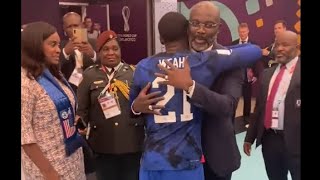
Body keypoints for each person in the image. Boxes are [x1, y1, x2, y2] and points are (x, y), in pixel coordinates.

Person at [130, 12, 261, 180]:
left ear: (161, 39)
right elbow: (254, 51)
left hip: (153, 160)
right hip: (185, 160)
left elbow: (132, 107)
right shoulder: (201, 61)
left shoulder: (142, 67)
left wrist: (135, 107)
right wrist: (223, 52)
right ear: (188, 33)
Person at [76, 30, 145, 180]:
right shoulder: (89, 76)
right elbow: (82, 110)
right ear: (98, 52)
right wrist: (81, 127)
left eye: (115, 48)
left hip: (131, 143)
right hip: (102, 145)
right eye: (105, 49)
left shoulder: (134, 73)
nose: (111, 53)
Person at [21, 21, 86, 180]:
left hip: (72, 160)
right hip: (49, 169)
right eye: (52, 44)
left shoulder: (52, 73)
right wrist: (49, 173)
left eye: (58, 44)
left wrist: (72, 121)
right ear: (35, 46)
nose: (58, 50)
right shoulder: (25, 83)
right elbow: (24, 136)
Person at [243, 31, 300, 180]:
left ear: (297, 48)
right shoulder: (267, 74)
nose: (279, 48)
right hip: (270, 140)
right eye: (277, 44)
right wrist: (250, 137)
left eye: (285, 45)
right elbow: (259, 108)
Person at [60, 12, 97, 93]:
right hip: (69, 91)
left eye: (76, 25)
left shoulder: (94, 43)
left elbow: (105, 65)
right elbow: (52, 69)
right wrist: (65, 52)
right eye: (69, 26)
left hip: (93, 90)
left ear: (82, 25)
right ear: (64, 28)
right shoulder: (59, 46)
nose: (73, 29)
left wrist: (93, 55)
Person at [231, 23, 259, 124]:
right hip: (235, 77)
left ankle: (246, 118)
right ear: (238, 32)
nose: (242, 34)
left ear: (248, 31)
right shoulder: (233, 44)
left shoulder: (254, 45)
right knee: (234, 97)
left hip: (248, 76)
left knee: (247, 98)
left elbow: (257, 60)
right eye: (241, 32)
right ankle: (231, 117)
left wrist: (256, 75)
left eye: (244, 32)